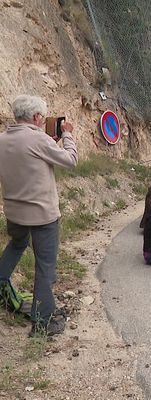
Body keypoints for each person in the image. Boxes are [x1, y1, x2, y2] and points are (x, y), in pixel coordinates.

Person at [0, 95, 78, 336]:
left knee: (16, 245)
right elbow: (71, 160)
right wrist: (67, 135)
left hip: (14, 211)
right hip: (43, 215)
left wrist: (47, 143)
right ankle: (42, 324)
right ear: (35, 117)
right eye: (43, 116)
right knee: (45, 268)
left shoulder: (2, 139)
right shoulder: (39, 139)